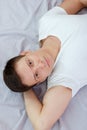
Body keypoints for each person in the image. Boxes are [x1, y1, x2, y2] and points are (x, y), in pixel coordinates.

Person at [3, 0, 87, 130]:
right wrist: (26, 90)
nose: (40, 65)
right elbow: (41, 124)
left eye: (30, 63)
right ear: (40, 81)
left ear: (26, 53)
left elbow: (78, 2)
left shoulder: (47, 22)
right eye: (36, 75)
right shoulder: (62, 80)